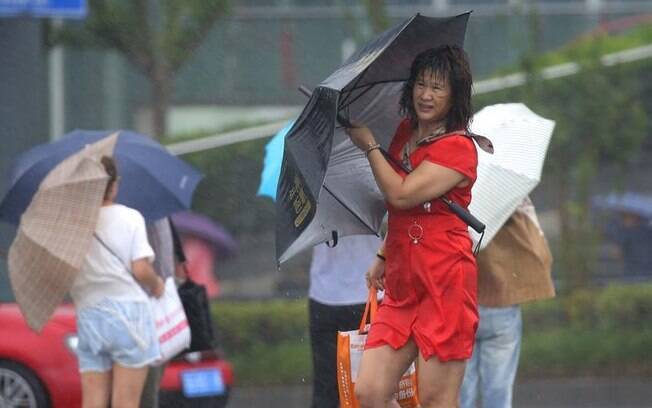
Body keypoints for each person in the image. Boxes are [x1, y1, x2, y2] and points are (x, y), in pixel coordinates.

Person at [345, 45, 479, 407]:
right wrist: (382, 255)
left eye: (437, 87)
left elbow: (402, 195)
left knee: (437, 399)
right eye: (421, 84)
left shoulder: (459, 148)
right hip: (404, 284)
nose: (426, 94)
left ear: (455, 95)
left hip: (444, 282)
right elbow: (404, 214)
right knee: (369, 392)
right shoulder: (405, 133)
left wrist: (370, 145)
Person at [69, 156, 165, 408]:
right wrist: (157, 285)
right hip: (128, 314)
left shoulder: (72, 226)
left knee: (92, 401)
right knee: (126, 402)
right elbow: (141, 269)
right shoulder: (130, 217)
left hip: (89, 314)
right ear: (113, 185)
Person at [460, 197, 555, 408]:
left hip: (461, 304)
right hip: (502, 302)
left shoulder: (454, 198)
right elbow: (534, 237)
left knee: (461, 392)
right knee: (498, 392)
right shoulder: (507, 194)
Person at [309, 234, 383, 408]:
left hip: (336, 294)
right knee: (369, 385)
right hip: (360, 293)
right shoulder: (383, 206)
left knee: (330, 386)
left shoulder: (316, 205)